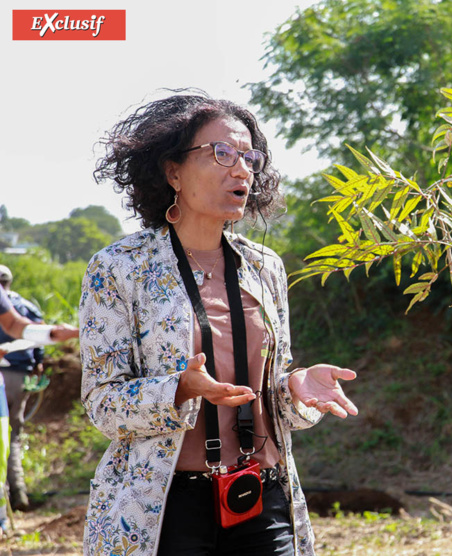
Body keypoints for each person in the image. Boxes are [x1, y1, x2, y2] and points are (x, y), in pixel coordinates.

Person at [80, 93, 359, 556]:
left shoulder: (265, 266)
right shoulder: (118, 268)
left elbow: (270, 395)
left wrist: (295, 387)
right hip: (163, 508)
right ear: (173, 171)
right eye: (222, 154)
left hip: (263, 496)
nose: (242, 170)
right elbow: (102, 403)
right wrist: (180, 388)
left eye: (250, 158)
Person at [0, 275, 78, 532]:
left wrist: (52, 334)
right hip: (20, 376)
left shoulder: (10, 306)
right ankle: (17, 497)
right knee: (13, 437)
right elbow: (33, 346)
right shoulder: (25, 304)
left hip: (5, 377)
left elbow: (15, 324)